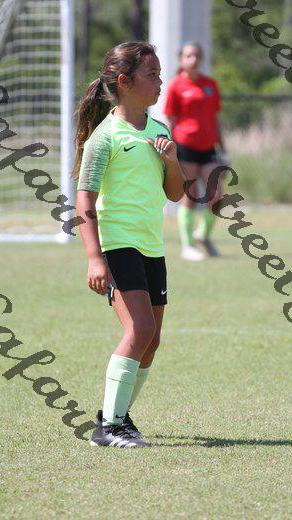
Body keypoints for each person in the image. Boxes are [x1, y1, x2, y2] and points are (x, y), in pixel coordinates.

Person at [72, 41, 184, 448]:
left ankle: (116, 416)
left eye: (160, 74)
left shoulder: (159, 131)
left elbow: (175, 194)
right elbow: (84, 200)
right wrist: (94, 258)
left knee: (151, 342)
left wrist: (171, 160)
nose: (160, 82)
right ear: (125, 81)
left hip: (152, 246)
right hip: (118, 245)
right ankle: (109, 428)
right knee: (140, 329)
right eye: (152, 75)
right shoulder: (105, 137)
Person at [163, 41, 227, 261]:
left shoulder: (210, 85)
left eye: (197, 55)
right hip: (185, 147)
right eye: (189, 56)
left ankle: (203, 234)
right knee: (190, 196)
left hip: (208, 147)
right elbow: (170, 120)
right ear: (181, 60)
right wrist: (170, 149)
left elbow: (215, 119)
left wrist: (223, 149)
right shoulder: (176, 86)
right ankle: (188, 246)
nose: (194, 60)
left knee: (216, 195)